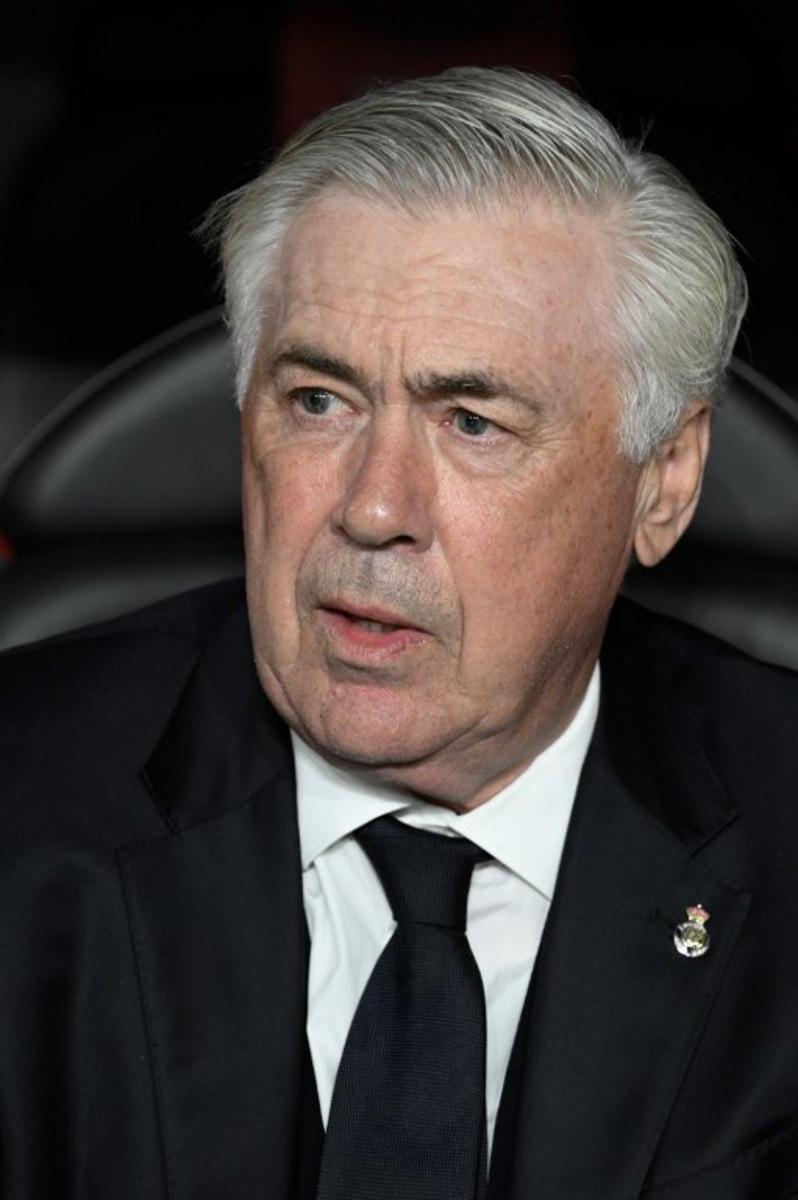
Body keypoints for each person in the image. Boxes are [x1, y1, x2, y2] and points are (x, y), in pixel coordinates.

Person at [1, 67, 797, 1200]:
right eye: (318, 400)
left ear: (663, 483)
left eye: (472, 422)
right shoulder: (24, 803)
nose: (372, 508)